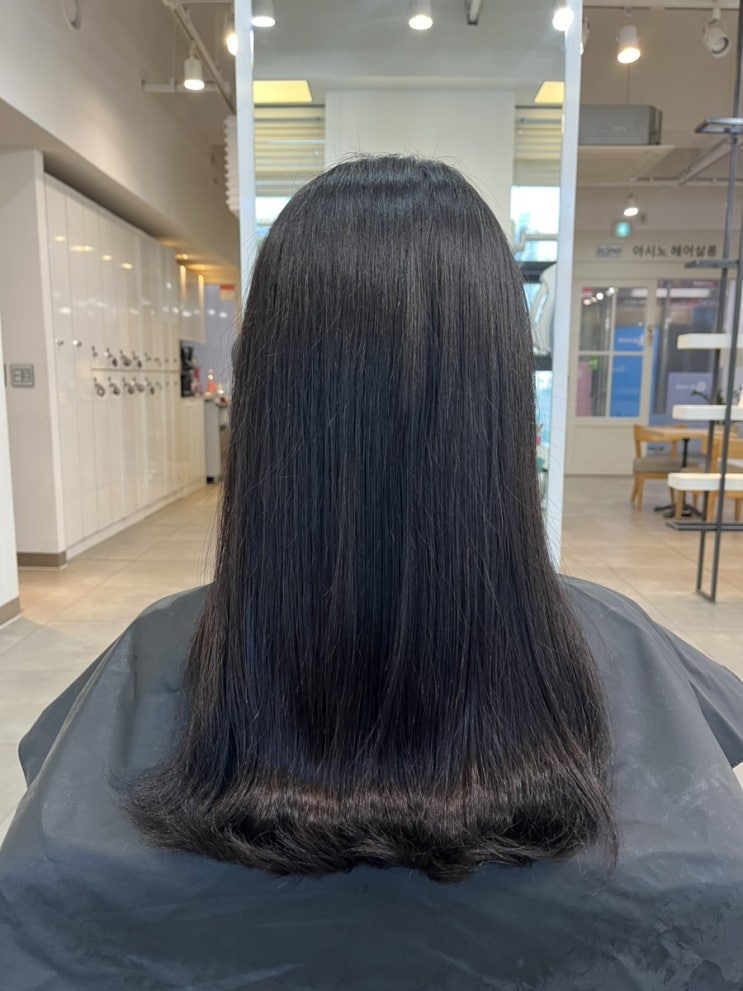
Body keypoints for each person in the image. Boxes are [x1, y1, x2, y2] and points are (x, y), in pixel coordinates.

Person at [0, 156, 742, 990]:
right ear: (499, 395)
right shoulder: (619, 637)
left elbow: (42, 882)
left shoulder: (154, 644)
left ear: (269, 390)